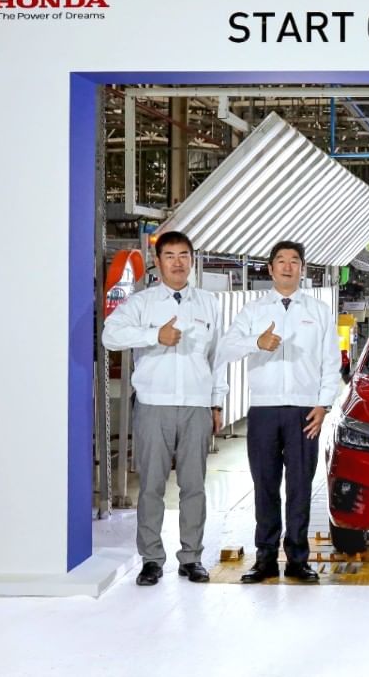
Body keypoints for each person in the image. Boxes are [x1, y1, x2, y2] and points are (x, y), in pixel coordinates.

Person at [101, 231, 227, 587]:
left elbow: (217, 357)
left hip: (196, 406)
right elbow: (110, 335)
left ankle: (192, 557)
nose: (177, 262)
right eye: (169, 256)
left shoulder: (208, 303)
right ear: (157, 262)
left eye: (183, 255)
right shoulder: (142, 304)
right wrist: (153, 335)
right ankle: (152, 559)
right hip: (153, 406)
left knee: (194, 486)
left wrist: (216, 401)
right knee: (152, 486)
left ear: (192, 260)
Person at [217, 241, 340, 584]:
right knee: (265, 485)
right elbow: (225, 348)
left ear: (303, 269)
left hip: (305, 411)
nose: (287, 266)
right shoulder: (254, 311)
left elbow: (331, 362)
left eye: (294, 261)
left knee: (300, 487)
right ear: (270, 269)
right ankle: (266, 558)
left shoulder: (319, 311)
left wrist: (323, 404)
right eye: (281, 261)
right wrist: (256, 342)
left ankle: (298, 559)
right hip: (264, 410)